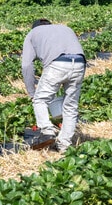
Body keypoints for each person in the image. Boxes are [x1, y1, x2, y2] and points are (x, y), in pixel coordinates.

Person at [22, 18, 86, 153]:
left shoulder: (33, 33)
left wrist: (32, 92)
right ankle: (64, 146)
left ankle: (47, 131)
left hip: (58, 63)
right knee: (70, 106)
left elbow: (27, 65)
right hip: (80, 62)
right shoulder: (65, 28)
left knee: (40, 100)